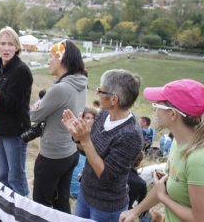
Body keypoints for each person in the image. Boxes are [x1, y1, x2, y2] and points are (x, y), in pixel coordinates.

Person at [120, 79, 204, 222]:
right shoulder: (179, 142)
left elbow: (203, 219)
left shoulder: (198, 159)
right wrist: (136, 211)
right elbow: (163, 184)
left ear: (173, 114)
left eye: (157, 105)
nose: (155, 110)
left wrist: (164, 197)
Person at [62, 69, 143, 221]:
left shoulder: (130, 134)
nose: (97, 93)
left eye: (100, 90)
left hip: (105, 207)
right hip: (85, 193)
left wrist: (85, 139)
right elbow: (89, 152)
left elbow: (106, 177)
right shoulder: (104, 114)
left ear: (114, 99)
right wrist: (77, 137)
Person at [29, 39, 87, 213]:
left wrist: (37, 104)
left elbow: (34, 115)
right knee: (61, 201)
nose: (48, 61)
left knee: (41, 203)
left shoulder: (61, 88)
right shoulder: (80, 83)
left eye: (50, 57)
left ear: (61, 60)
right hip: (69, 151)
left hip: (52, 155)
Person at [0, 26, 33, 197]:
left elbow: (11, 105)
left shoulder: (21, 71)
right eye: (3, 44)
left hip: (15, 131)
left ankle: (23, 213)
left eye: (10, 44)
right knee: (4, 176)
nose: (6, 48)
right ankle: (8, 210)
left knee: (16, 177)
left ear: (17, 47)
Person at [70, 107, 97, 198]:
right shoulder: (76, 134)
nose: (90, 121)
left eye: (92, 118)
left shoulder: (97, 135)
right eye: (87, 118)